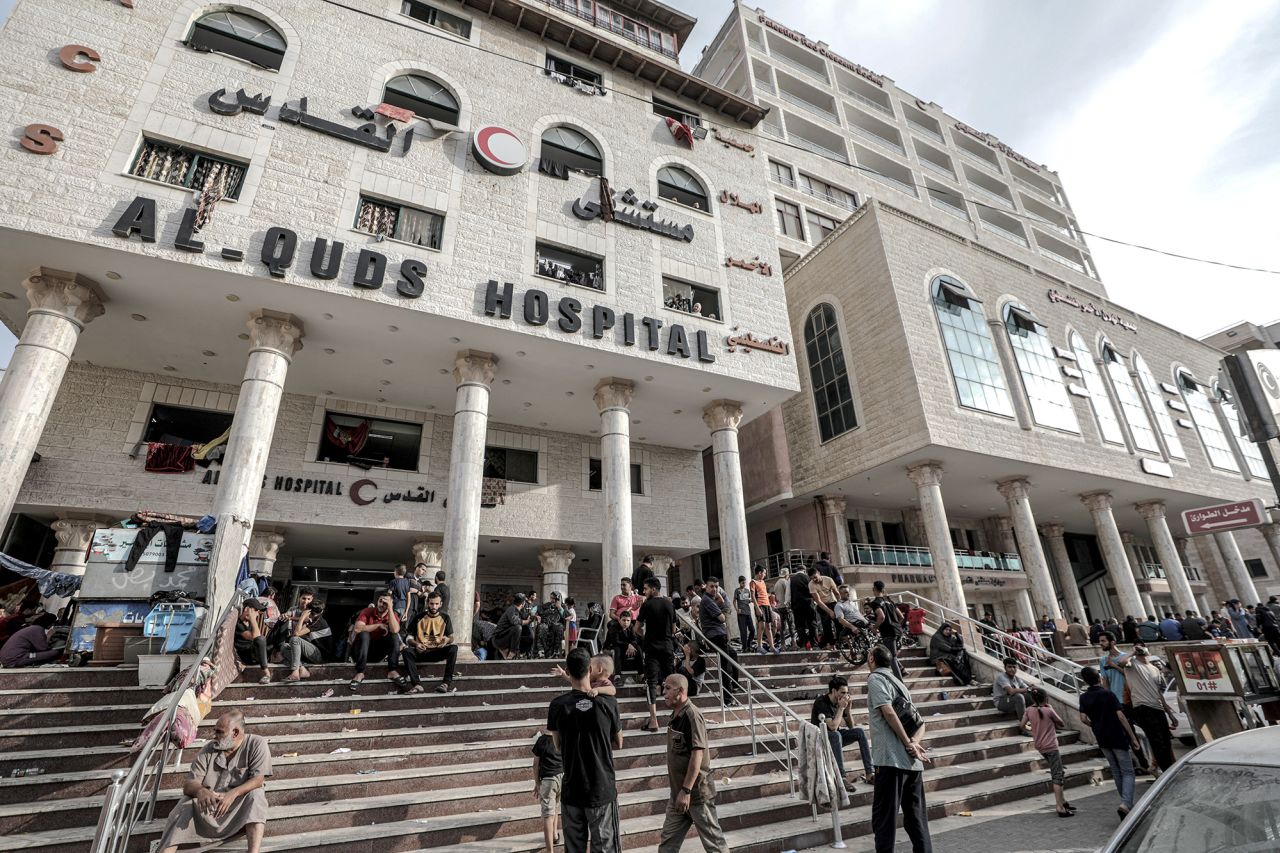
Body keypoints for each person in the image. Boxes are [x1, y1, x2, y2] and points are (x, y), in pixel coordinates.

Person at [157, 710, 270, 853]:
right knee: (184, 804)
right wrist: (201, 791)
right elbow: (189, 783)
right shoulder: (209, 749)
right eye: (215, 731)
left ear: (235, 733)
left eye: (219, 732)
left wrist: (233, 794)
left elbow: (258, 780)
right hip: (209, 806)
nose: (214, 736)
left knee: (257, 796)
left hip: (237, 808)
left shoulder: (256, 744)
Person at [548, 647, 623, 853]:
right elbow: (619, 741)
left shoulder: (557, 705)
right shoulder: (608, 702)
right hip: (601, 786)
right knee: (605, 847)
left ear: (568, 671)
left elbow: (557, 745)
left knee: (573, 848)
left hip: (572, 787)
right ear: (591, 670)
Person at [867, 644, 932, 853]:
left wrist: (907, 743)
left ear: (872, 660)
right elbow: (921, 722)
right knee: (916, 819)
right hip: (912, 764)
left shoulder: (875, 679)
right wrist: (914, 743)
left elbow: (888, 712)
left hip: (890, 759)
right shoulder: (899, 683)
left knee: (883, 819)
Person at [657, 673, 728, 853]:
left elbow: (698, 754)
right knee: (667, 845)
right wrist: (679, 793)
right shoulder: (676, 714)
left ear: (680, 691)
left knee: (715, 845)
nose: (663, 692)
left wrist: (686, 790)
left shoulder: (692, 715)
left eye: (667, 688)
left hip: (695, 794)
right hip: (678, 796)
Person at [1079, 666, 1142, 818]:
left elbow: (1083, 719)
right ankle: (1126, 803)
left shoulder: (1084, 697)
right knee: (1127, 771)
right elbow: (1121, 716)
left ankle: (1126, 803)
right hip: (1117, 735)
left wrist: (1095, 725)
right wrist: (1133, 737)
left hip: (1101, 737)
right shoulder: (1108, 694)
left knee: (1116, 771)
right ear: (1099, 678)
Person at [812, 674, 874, 791]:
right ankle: (842, 778)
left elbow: (851, 727)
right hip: (821, 739)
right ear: (834, 691)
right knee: (836, 735)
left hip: (836, 738)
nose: (846, 696)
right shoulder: (822, 702)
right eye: (843, 693)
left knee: (860, 732)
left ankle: (870, 773)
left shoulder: (840, 702)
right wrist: (841, 708)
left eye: (847, 693)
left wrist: (848, 710)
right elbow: (833, 727)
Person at [1021, 687, 1074, 818]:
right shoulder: (1048, 710)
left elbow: (1021, 725)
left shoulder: (1029, 710)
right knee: (1057, 775)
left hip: (1040, 745)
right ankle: (1060, 806)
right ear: (1046, 698)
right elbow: (1061, 724)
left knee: (1059, 771)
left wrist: (1032, 730)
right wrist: (1051, 709)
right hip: (1051, 746)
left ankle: (1063, 801)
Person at [1125, 645, 1177, 773]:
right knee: (1157, 741)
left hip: (1157, 707)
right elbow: (1121, 661)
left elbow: (1159, 694)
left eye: (1143, 648)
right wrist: (1132, 652)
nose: (1141, 650)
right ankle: (1166, 771)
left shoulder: (1154, 669)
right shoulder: (1132, 665)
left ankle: (1170, 769)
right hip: (1143, 707)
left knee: (1166, 740)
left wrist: (1170, 714)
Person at [636, 577, 676, 733]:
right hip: (667, 646)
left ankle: (653, 720)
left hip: (651, 648)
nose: (644, 592)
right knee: (671, 680)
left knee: (651, 683)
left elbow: (637, 628)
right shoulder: (669, 603)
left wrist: (646, 638)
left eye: (645, 589)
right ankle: (676, 716)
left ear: (654, 589)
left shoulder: (647, 605)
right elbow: (673, 628)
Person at [398, 591, 458, 694]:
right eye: (431, 603)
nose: (434, 606)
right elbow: (408, 638)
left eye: (436, 604)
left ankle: (446, 683)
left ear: (440, 604)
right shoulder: (418, 617)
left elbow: (451, 637)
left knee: (454, 648)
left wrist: (447, 640)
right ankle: (417, 685)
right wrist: (416, 644)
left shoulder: (445, 617)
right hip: (422, 651)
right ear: (427, 603)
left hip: (437, 651)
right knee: (406, 651)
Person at [698, 577, 742, 706]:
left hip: (719, 634)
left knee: (733, 655)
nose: (715, 589)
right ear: (706, 587)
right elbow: (722, 618)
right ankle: (728, 700)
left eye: (716, 586)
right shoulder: (707, 600)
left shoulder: (711, 600)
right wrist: (721, 604)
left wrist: (721, 605)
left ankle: (734, 685)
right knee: (725, 666)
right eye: (712, 586)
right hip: (715, 635)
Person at [350, 591, 402, 690]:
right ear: (377, 601)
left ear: (391, 604)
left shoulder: (392, 615)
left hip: (378, 652)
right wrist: (378, 625)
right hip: (361, 651)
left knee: (394, 636)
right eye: (380, 601)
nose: (382, 604)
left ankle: (392, 670)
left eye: (385, 603)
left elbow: (395, 630)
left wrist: (390, 609)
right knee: (364, 634)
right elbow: (357, 629)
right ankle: (360, 673)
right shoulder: (367, 611)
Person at [532, 730, 564, 853]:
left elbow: (535, 764)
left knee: (547, 816)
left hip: (548, 780)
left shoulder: (542, 740)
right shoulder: (562, 737)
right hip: (562, 777)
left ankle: (550, 851)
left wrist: (537, 783)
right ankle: (555, 835)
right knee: (555, 807)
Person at [285, 599, 330, 681]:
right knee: (284, 646)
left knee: (294, 639)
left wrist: (302, 617)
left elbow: (296, 634)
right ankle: (302, 669)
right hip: (311, 652)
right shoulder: (313, 620)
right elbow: (299, 635)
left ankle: (295, 672)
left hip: (320, 656)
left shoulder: (319, 622)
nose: (311, 615)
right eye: (311, 613)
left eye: (313, 614)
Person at [870, 580, 904, 678]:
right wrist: (897, 626)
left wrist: (874, 627)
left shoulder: (875, 602)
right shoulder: (890, 601)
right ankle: (902, 670)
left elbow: (881, 617)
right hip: (898, 631)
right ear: (883, 589)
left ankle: (899, 682)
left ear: (874, 589)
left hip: (888, 632)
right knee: (890, 653)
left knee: (892, 658)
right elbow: (901, 616)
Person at [234, 599, 271, 685]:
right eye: (255, 610)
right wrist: (252, 618)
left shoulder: (249, 622)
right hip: (248, 656)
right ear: (247, 609)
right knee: (260, 639)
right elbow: (256, 637)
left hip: (255, 652)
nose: (257, 614)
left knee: (280, 624)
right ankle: (266, 672)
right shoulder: (239, 624)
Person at [605, 609, 644, 686]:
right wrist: (628, 645)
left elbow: (634, 639)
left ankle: (642, 674)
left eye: (628, 620)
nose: (625, 622)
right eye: (624, 620)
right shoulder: (614, 627)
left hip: (625, 647)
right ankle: (617, 676)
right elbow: (615, 641)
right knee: (617, 649)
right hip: (611, 647)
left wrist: (631, 645)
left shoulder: (631, 627)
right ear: (619, 620)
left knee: (638, 649)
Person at [807, 566, 839, 648]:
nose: (814, 580)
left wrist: (840, 604)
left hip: (832, 602)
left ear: (819, 573)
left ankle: (840, 642)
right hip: (822, 605)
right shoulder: (811, 584)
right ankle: (831, 644)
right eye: (812, 578)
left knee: (839, 622)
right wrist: (829, 611)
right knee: (826, 624)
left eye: (815, 577)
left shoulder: (828, 579)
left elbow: (836, 593)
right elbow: (818, 601)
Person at [493, 593, 531, 660]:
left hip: (504, 638)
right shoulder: (512, 609)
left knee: (527, 633)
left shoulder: (517, 610)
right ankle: (513, 652)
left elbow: (524, 616)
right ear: (523, 603)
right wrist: (527, 621)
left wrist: (533, 616)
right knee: (518, 628)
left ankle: (517, 653)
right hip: (499, 639)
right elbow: (515, 621)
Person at [992, 657, 1032, 721]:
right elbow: (1011, 691)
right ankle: (1023, 725)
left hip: (1011, 700)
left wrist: (1032, 688)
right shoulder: (1001, 677)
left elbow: (1027, 688)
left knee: (1032, 695)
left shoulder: (1016, 678)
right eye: (1009, 667)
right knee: (1019, 697)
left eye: (1014, 667)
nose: (1012, 669)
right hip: (1001, 702)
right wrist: (1027, 689)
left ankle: (1034, 718)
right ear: (1005, 668)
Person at [749, 566, 777, 654]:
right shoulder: (753, 582)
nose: (765, 575)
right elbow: (753, 596)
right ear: (760, 573)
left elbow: (765, 594)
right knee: (761, 626)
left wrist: (770, 606)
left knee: (768, 626)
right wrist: (757, 608)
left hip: (767, 605)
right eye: (764, 573)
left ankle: (772, 646)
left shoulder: (763, 582)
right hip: (760, 605)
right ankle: (759, 646)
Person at [789, 565, 816, 650]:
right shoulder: (808, 578)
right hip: (809, 603)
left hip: (797, 605)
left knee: (800, 625)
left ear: (797, 570)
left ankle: (803, 644)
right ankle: (813, 643)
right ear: (804, 570)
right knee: (812, 623)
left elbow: (789, 594)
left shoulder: (791, 579)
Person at [1097, 631, 1129, 702]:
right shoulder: (1103, 660)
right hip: (1115, 699)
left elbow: (1130, 675)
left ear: (1112, 642)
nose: (1100, 643)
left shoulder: (1126, 657)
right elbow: (1105, 681)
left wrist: (1114, 666)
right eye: (1099, 641)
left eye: (1103, 641)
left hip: (1129, 698)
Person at [732, 576, 757, 652]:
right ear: (739, 583)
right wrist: (736, 610)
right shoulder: (737, 591)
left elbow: (749, 600)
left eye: (745, 582)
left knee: (752, 630)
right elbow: (734, 601)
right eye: (743, 582)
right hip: (741, 614)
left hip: (748, 613)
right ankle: (744, 647)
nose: (744, 584)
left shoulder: (747, 590)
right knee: (743, 632)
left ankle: (749, 644)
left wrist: (751, 600)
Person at [772, 567, 794, 649]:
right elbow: (788, 594)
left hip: (779, 607)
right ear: (786, 575)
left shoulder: (776, 583)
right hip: (786, 606)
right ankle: (794, 643)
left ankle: (783, 645)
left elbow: (776, 598)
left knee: (782, 627)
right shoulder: (785, 582)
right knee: (791, 625)